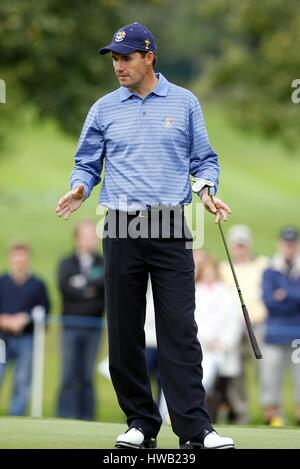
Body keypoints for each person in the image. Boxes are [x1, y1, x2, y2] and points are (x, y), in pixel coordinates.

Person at [56, 22, 234, 449]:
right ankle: (140, 421)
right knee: (124, 330)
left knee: (178, 329)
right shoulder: (103, 109)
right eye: (114, 59)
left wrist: (207, 190)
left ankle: (195, 429)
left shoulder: (185, 102)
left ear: (148, 57)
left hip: (170, 223)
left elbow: (204, 159)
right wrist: (81, 186)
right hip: (120, 224)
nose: (118, 66)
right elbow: (87, 163)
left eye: (126, 58)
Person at [219, 224, 268, 423]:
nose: (240, 248)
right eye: (237, 245)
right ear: (231, 246)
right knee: (235, 373)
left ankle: (269, 412)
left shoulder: (263, 264)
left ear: (249, 245)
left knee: (264, 371)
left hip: (259, 324)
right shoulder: (223, 268)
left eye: (243, 244)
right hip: (233, 326)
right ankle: (241, 412)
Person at [57, 219, 105, 420]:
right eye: (86, 237)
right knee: (69, 374)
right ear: (77, 239)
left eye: (92, 236)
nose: (90, 241)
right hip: (70, 326)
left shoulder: (103, 263)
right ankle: (65, 416)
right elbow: (66, 289)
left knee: (86, 375)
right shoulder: (66, 263)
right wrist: (90, 289)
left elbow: (103, 290)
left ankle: (87, 418)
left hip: (94, 327)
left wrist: (82, 286)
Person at [0, 243, 50, 415]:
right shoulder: (2, 282)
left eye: (23, 257)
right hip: (2, 340)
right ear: (10, 259)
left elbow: (44, 310)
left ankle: (16, 417)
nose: (19, 261)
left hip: (26, 339)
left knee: (22, 381)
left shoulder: (37, 284)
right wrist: (5, 321)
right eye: (16, 256)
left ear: (28, 259)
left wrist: (25, 318)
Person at [194, 255, 242, 422]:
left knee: (220, 390)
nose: (209, 277)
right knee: (201, 385)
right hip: (202, 348)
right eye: (206, 273)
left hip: (223, 349)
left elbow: (233, 320)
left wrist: (224, 342)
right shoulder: (195, 292)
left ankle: (214, 419)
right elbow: (193, 319)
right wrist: (208, 339)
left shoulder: (225, 293)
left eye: (211, 273)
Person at [260, 226, 300, 426]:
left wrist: (284, 293)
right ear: (280, 244)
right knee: (271, 377)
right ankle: (272, 415)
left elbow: (288, 297)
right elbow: (269, 301)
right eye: (286, 243)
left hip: (297, 334)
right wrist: (291, 294)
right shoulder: (270, 269)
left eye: (292, 243)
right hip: (274, 333)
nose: (289, 246)